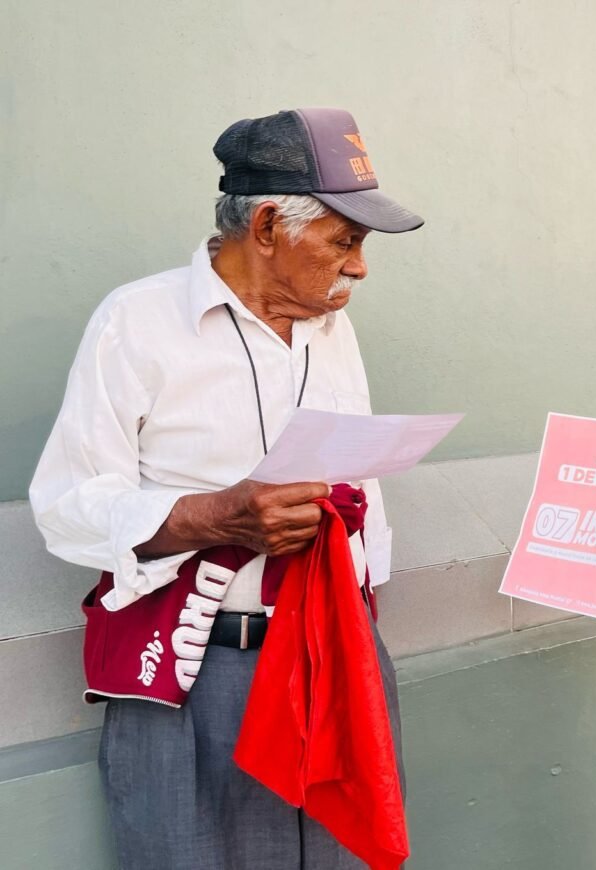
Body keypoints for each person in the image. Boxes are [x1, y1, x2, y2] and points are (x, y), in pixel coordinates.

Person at [29, 107, 423, 869]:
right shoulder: (135, 323)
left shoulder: (332, 328)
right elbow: (66, 509)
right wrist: (212, 517)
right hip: (199, 673)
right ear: (269, 225)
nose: (360, 267)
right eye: (345, 240)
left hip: (338, 660)